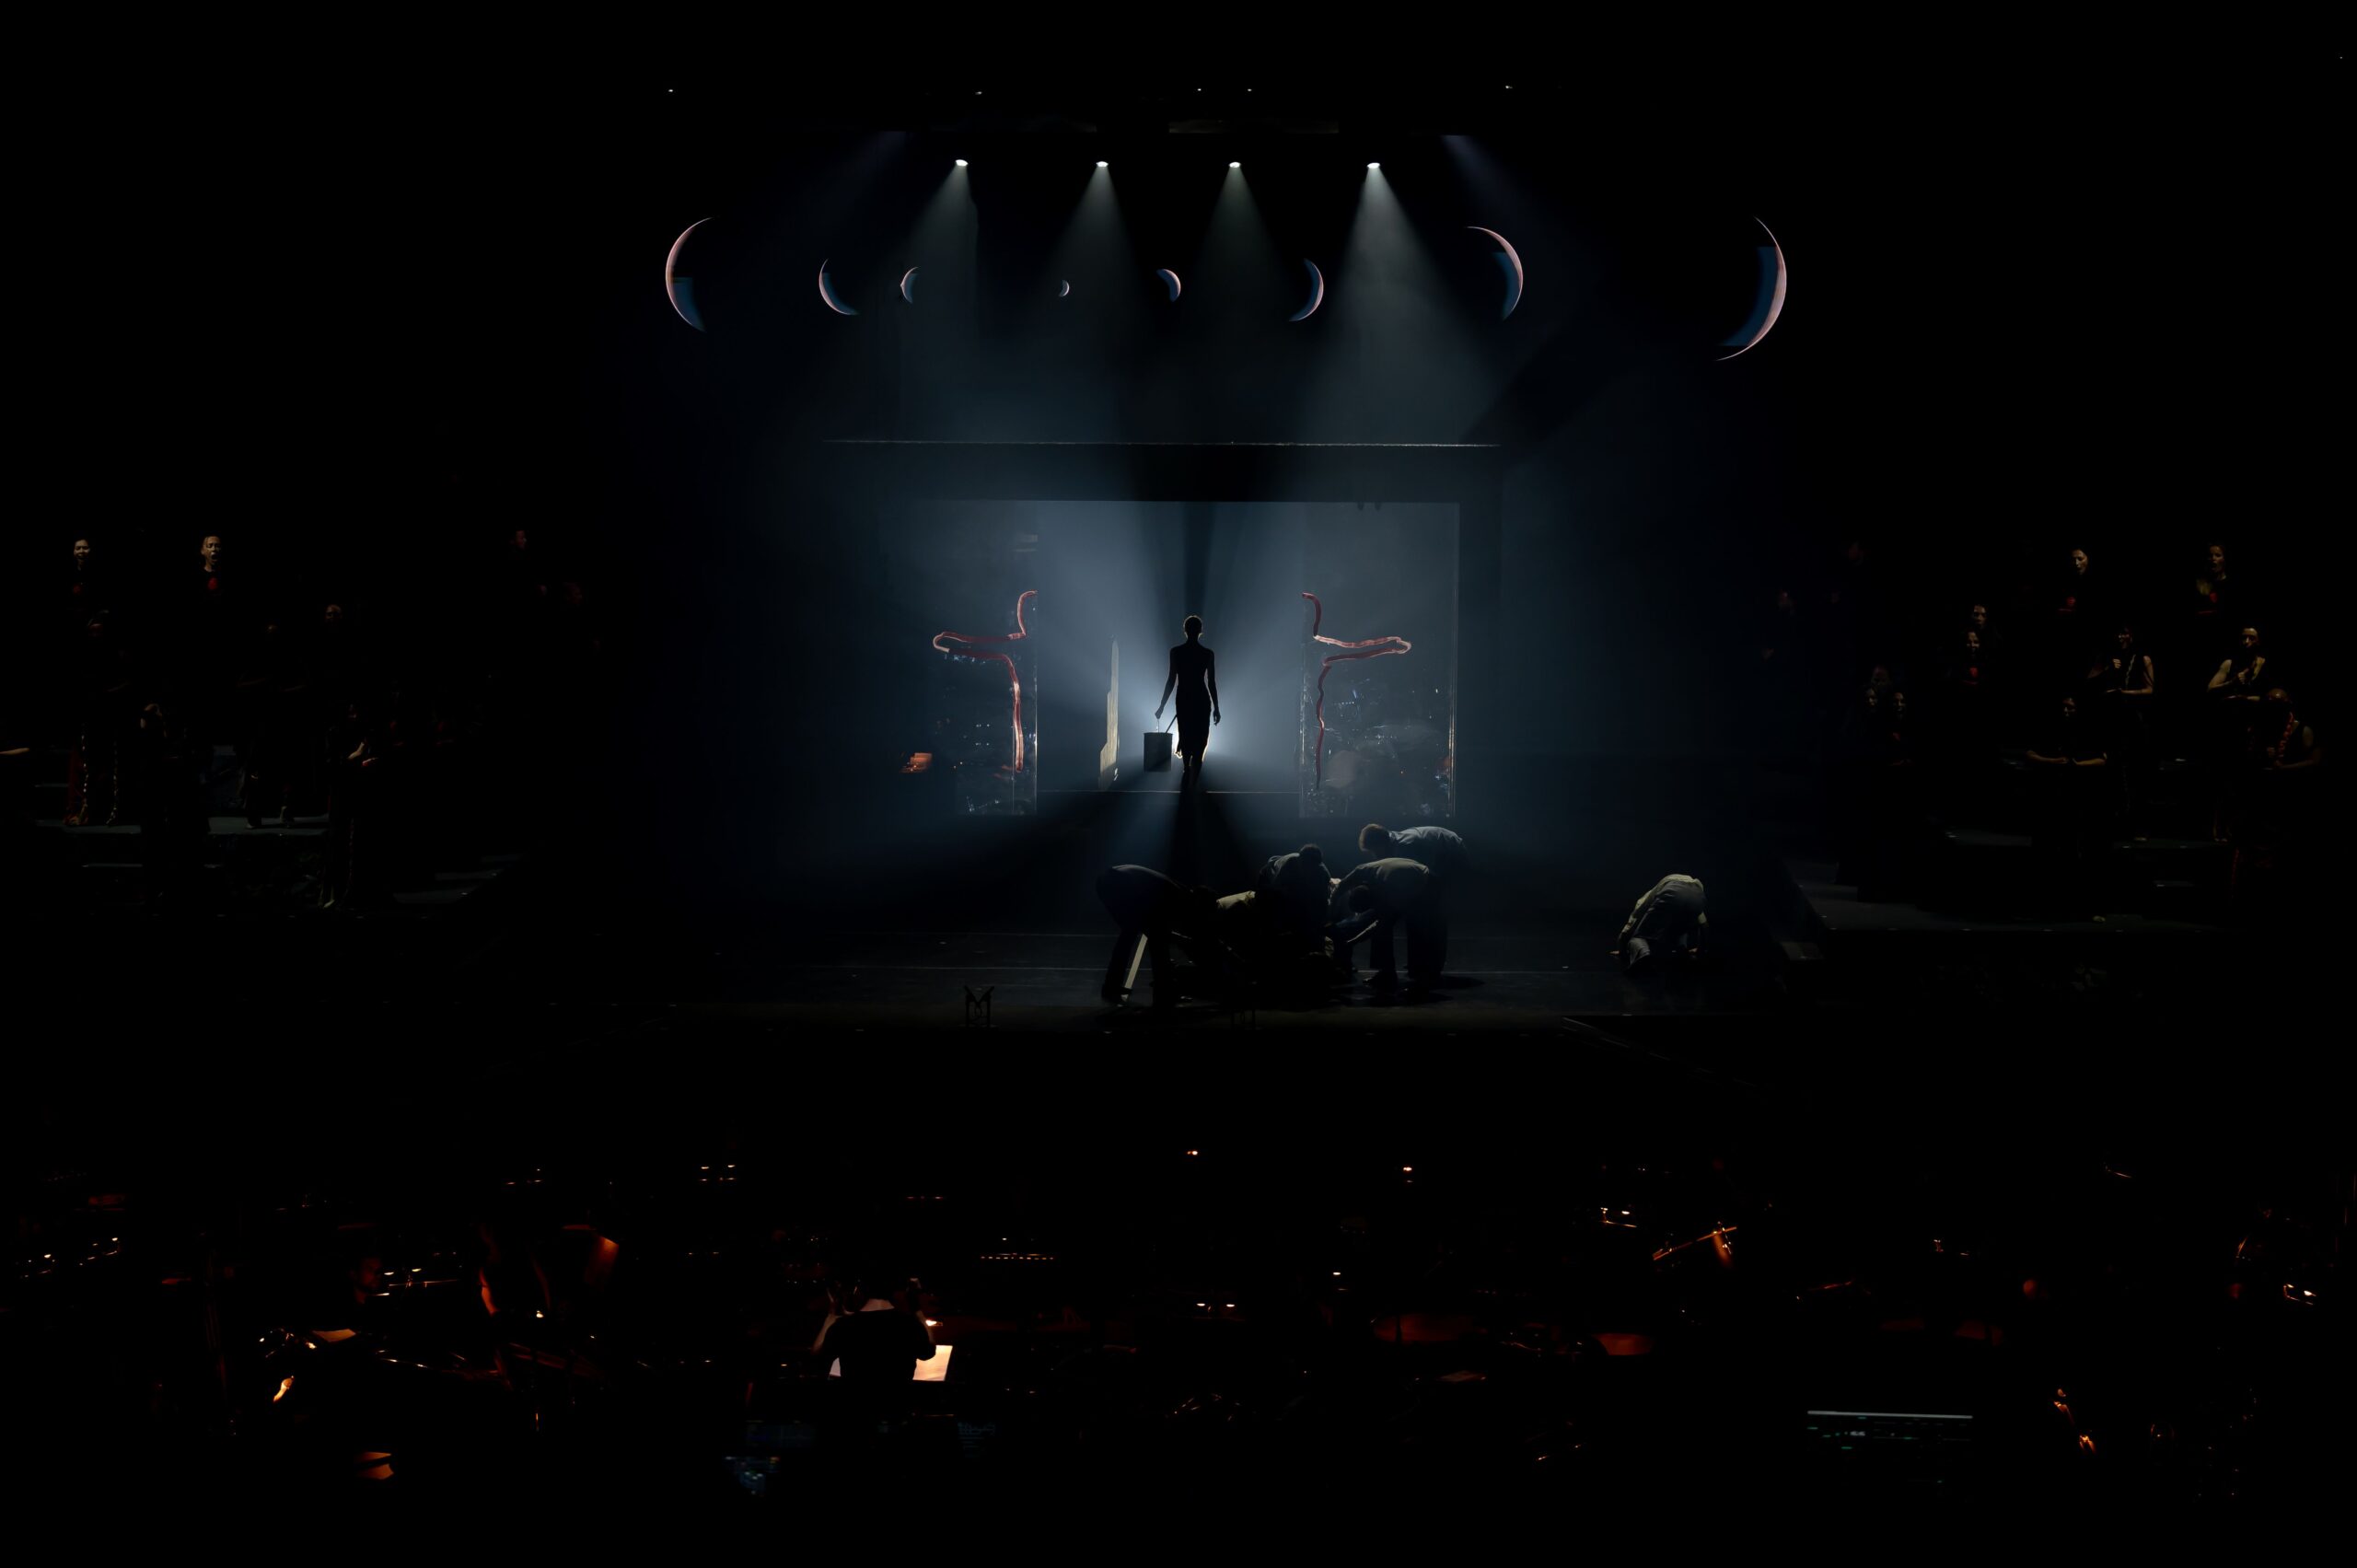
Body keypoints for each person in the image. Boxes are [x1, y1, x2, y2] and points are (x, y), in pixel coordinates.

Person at [813, 1272, 936, 1436]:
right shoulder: (910, 1324)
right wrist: (916, 1308)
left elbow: (817, 1354)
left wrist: (832, 1314)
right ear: (893, 1290)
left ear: (860, 1290)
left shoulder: (845, 1326)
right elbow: (929, 1351)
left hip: (856, 1418)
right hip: (898, 1414)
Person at [1096, 863, 1224, 1008]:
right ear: (1200, 902)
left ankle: (1112, 986)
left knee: (1130, 935)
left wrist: (1179, 939)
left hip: (1110, 881)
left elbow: (1156, 927)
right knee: (1157, 943)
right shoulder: (1179, 897)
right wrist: (1184, 941)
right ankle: (1164, 992)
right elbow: (1160, 931)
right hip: (1120, 884)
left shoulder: (1179, 891)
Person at [1331, 856, 1442, 989]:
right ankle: (1387, 972)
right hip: (1409, 873)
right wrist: (1329, 916)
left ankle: (1423, 975)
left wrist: (1353, 941)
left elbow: (1379, 924)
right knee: (1380, 927)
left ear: (1373, 902)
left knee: (1417, 927)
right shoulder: (1361, 871)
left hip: (1427, 884)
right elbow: (1339, 889)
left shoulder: (1392, 894)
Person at [1154, 615, 1220, 774]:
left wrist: (1162, 705)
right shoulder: (1207, 654)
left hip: (1184, 698)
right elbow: (1211, 683)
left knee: (1185, 734)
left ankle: (1186, 768)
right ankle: (1194, 771)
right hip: (1201, 699)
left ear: (1185, 630)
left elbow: (1171, 680)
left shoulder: (1176, 652)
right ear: (1200, 631)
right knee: (1201, 737)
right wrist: (1217, 707)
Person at [1615, 874, 1707, 977]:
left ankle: (1643, 954)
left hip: (1672, 892)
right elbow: (1703, 924)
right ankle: (1681, 951)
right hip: (1699, 897)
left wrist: (1622, 948)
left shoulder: (1648, 896)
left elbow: (1633, 919)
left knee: (1638, 938)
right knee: (1679, 928)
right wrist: (1701, 948)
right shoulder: (1692, 887)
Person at [1252, 843, 1331, 937]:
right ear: (1300, 860)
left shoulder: (1323, 874)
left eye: (1310, 867)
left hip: (1294, 884)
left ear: (1317, 865)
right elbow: (1276, 889)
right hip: (1269, 877)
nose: (1307, 869)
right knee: (1270, 901)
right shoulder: (1289, 864)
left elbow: (1323, 901)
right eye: (1304, 865)